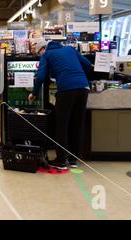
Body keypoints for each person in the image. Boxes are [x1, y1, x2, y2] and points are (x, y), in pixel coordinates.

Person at [28, 40, 93, 170]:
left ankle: (61, 160)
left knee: (62, 125)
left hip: (67, 89)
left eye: (39, 53)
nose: (41, 56)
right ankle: (74, 159)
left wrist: (34, 94)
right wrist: (79, 77)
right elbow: (87, 64)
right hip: (84, 87)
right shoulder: (70, 49)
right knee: (77, 124)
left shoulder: (47, 55)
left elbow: (40, 77)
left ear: (42, 50)